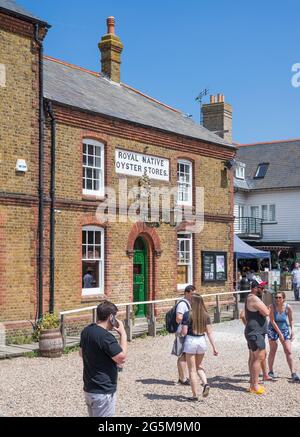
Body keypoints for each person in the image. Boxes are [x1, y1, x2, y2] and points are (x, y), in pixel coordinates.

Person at [79, 300, 127, 417]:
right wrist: (123, 334)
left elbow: (81, 353)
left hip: (89, 388)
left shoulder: (87, 331)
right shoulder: (106, 337)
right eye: (115, 317)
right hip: (103, 390)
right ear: (111, 317)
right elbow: (122, 358)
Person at [180, 293, 218, 400]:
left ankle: (195, 395)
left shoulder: (187, 314)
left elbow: (184, 332)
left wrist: (180, 335)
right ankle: (205, 383)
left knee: (192, 370)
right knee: (199, 366)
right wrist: (214, 347)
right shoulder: (206, 315)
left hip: (191, 340)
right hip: (201, 340)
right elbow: (209, 332)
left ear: (193, 302)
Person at [240, 282, 272, 383]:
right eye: (261, 287)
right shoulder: (253, 298)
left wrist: (247, 325)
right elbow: (267, 313)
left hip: (254, 331)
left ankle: (253, 379)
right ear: (254, 288)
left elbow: (243, 315)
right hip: (256, 332)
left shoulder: (250, 298)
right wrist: (269, 308)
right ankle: (254, 383)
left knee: (254, 356)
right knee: (258, 357)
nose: (263, 289)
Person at [267, 292, 300, 382]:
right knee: (273, 350)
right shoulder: (272, 306)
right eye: (276, 297)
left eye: (279, 297)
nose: (277, 299)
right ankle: (270, 371)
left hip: (284, 328)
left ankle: (293, 372)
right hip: (273, 328)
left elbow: (291, 320)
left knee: (288, 350)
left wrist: (292, 331)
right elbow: (272, 321)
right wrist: (279, 334)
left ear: (283, 298)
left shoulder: (288, 307)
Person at [175, 285, 195, 385]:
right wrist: (185, 324)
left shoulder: (188, 302)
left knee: (184, 354)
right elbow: (178, 317)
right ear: (186, 293)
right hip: (182, 332)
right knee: (182, 354)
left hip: (185, 331)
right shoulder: (182, 304)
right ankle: (182, 379)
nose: (193, 296)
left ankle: (182, 377)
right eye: (192, 294)